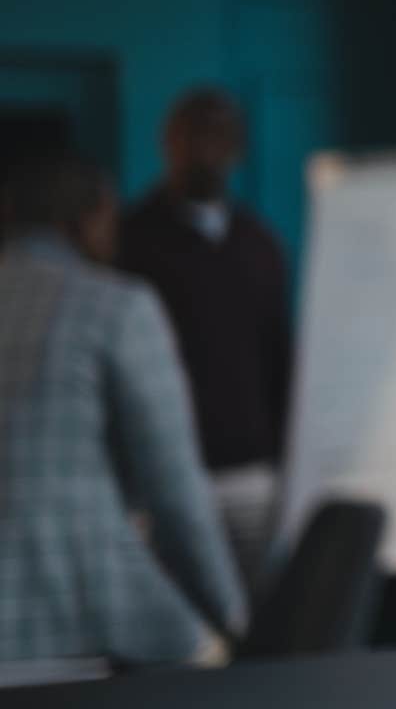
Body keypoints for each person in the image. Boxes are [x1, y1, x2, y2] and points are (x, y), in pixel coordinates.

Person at [0, 151, 247, 675]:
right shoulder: (116, 306)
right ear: (93, 218)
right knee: (214, 662)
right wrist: (230, 612)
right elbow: (175, 489)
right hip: (75, 622)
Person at [118, 88, 292, 584]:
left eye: (220, 137)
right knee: (175, 633)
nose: (206, 150)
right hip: (160, 476)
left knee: (254, 626)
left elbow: (279, 356)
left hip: (252, 477)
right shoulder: (130, 239)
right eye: (193, 136)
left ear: (238, 148)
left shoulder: (260, 244)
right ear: (168, 142)